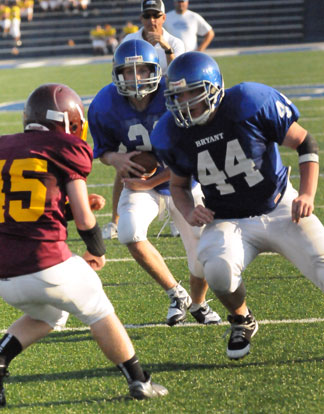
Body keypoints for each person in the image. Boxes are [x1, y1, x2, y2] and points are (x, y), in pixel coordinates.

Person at [0, 83, 168, 407]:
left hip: (5, 275)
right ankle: (139, 380)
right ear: (66, 121)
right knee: (100, 310)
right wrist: (96, 250)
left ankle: (1, 357)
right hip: (45, 264)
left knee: (50, 314)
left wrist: (60, 207)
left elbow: (22, 207)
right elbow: (85, 221)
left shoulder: (5, 146)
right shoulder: (64, 148)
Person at [151, 51, 324, 360]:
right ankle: (242, 319)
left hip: (280, 206)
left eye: (191, 93)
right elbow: (178, 186)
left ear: (213, 88)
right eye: (177, 96)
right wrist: (190, 211)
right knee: (216, 271)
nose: (183, 104)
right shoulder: (172, 132)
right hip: (227, 218)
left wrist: (308, 194)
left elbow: (305, 143)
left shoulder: (249, 102)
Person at [88, 39, 221, 327]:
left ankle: (198, 304)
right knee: (128, 232)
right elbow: (104, 151)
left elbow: (190, 153)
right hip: (140, 180)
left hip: (183, 179)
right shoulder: (104, 104)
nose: (136, 78)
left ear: (156, 70)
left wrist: (151, 182)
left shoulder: (173, 95)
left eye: (143, 70)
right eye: (129, 72)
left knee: (202, 252)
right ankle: (177, 294)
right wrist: (116, 160)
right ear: (117, 74)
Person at [103, 0, 185, 240]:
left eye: (155, 15)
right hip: (134, 107)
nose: (151, 20)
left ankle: (177, 213)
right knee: (127, 160)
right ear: (141, 18)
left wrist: (166, 48)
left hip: (165, 108)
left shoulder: (176, 42)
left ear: (163, 17)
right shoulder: (129, 41)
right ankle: (115, 220)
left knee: (176, 158)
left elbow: (179, 78)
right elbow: (116, 70)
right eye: (147, 15)